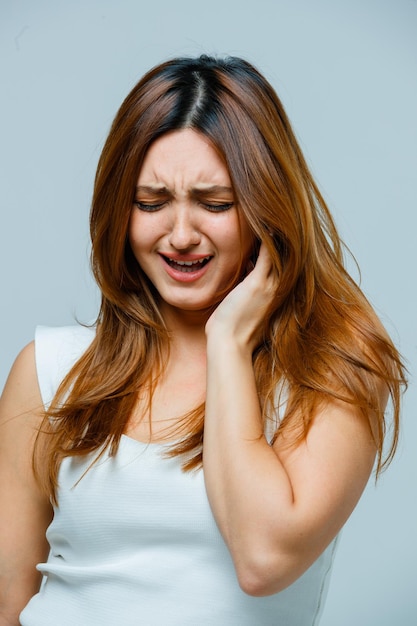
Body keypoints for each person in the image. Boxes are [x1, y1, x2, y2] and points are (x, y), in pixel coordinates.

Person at [0, 55, 406, 626]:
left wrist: (229, 344)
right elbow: (8, 602)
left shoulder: (333, 371)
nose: (182, 235)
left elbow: (263, 559)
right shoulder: (48, 370)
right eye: (151, 203)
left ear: (269, 209)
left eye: (215, 204)